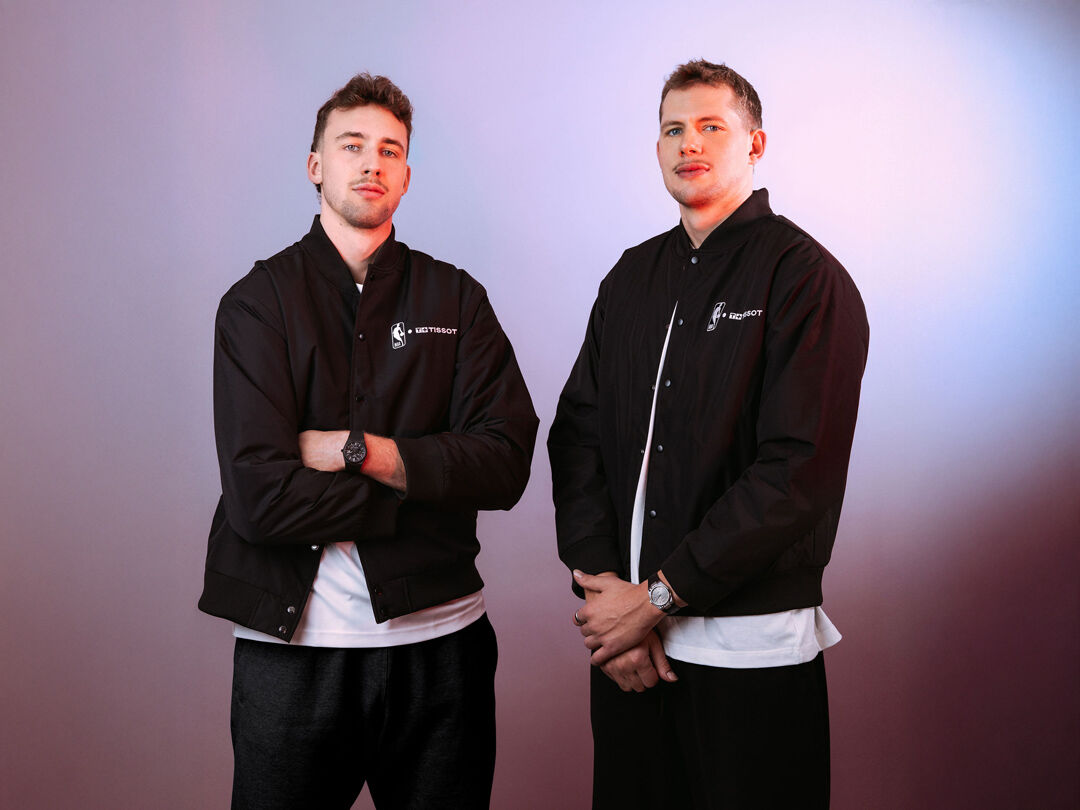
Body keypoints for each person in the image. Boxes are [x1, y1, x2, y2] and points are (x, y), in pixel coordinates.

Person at [198, 73, 538, 810]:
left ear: (408, 175)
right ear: (316, 164)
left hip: (442, 650)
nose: (372, 162)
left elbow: (507, 460)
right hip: (292, 661)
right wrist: (423, 491)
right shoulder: (257, 305)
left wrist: (363, 452)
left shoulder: (456, 299)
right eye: (352, 145)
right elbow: (258, 501)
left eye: (391, 150)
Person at [548, 60, 868, 809]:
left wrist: (656, 599)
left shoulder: (803, 278)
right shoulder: (630, 278)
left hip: (750, 652)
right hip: (630, 654)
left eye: (711, 127)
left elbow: (797, 472)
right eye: (673, 129)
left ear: (755, 143)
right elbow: (577, 438)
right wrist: (608, 608)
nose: (689, 143)